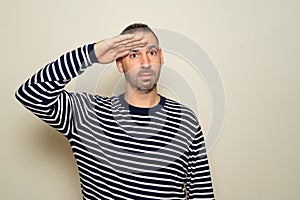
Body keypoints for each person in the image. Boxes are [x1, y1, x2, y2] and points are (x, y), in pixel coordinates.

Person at [15, 23, 215, 199]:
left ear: (160, 57)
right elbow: (31, 93)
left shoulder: (186, 121)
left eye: (151, 53)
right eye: (134, 54)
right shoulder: (86, 113)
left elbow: (202, 194)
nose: (145, 63)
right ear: (120, 63)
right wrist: (91, 54)